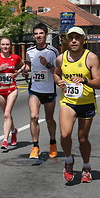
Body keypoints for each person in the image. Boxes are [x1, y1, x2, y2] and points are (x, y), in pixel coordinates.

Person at [53, 27, 100, 183]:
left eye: (77, 38)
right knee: (65, 134)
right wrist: (58, 81)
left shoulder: (91, 58)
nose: (74, 40)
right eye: (71, 38)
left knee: (82, 138)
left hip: (87, 102)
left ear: (83, 40)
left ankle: (86, 166)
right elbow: (56, 73)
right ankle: (68, 161)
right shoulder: (61, 58)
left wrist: (85, 80)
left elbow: (98, 83)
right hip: (68, 101)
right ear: (67, 40)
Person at [23, 23, 59, 159]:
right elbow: (28, 65)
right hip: (35, 89)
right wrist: (26, 72)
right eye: (36, 34)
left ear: (46, 35)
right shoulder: (30, 51)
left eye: (41, 33)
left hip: (49, 90)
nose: (38, 36)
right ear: (33, 36)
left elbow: (57, 72)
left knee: (49, 119)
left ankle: (52, 143)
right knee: (34, 116)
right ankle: (35, 146)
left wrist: (47, 64)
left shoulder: (53, 52)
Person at [0, 37, 25, 151]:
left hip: (12, 89)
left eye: (7, 44)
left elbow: (24, 65)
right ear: (0, 46)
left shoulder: (15, 58)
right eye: (3, 44)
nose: (5, 47)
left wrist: (17, 72)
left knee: (7, 114)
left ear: (11, 46)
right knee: (7, 115)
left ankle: (5, 140)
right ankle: (13, 131)